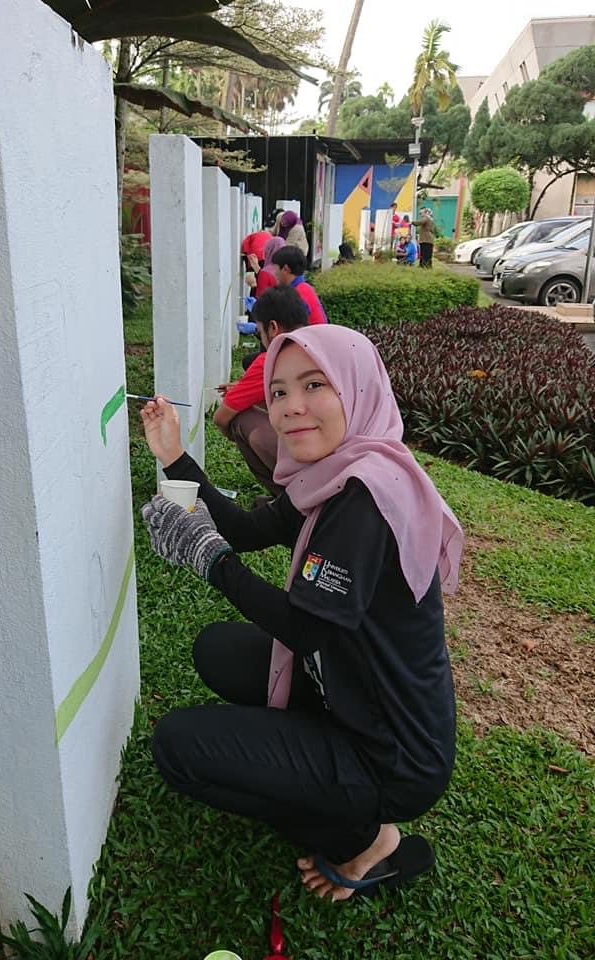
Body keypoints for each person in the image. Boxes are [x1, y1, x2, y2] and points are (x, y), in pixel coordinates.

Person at [140, 324, 464, 903]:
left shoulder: (365, 500)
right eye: (279, 391)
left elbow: (305, 628)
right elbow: (247, 530)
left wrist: (208, 559)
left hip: (392, 754)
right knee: (217, 648)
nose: (290, 407)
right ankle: (317, 770)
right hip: (347, 686)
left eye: (315, 385)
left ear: (357, 388)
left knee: (177, 748)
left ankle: (367, 837)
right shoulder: (338, 472)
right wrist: (174, 456)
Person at [213, 286, 309, 496]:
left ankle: (286, 500)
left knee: (240, 420)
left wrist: (234, 432)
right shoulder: (317, 347)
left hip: (308, 464)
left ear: (272, 327)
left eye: (259, 331)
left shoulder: (271, 360)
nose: (260, 337)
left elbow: (220, 418)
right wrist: (246, 389)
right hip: (342, 461)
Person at [270, 245, 328, 325]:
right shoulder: (304, 287)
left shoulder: (296, 294)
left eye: (275, 269)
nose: (274, 274)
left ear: (285, 269)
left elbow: (286, 326)